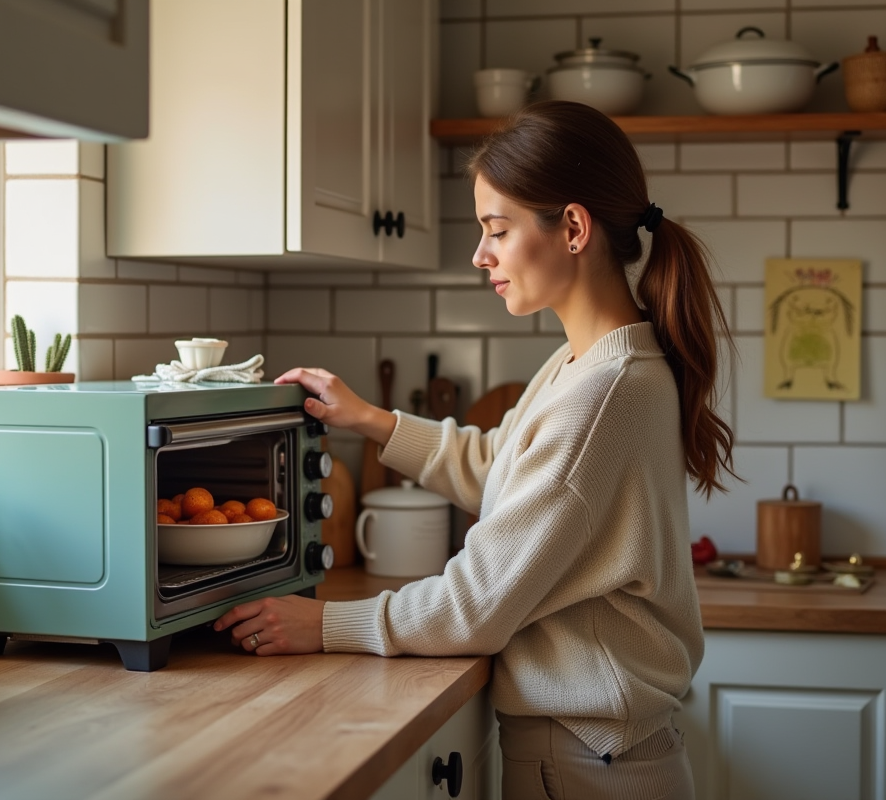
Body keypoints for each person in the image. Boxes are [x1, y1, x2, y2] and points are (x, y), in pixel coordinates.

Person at [215, 100, 736, 800]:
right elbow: (501, 469)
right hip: (596, 754)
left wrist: (327, 623)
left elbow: (478, 604)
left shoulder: (604, 393)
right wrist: (370, 419)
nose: (480, 254)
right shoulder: (590, 365)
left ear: (573, 228)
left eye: (498, 229)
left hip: (589, 762)